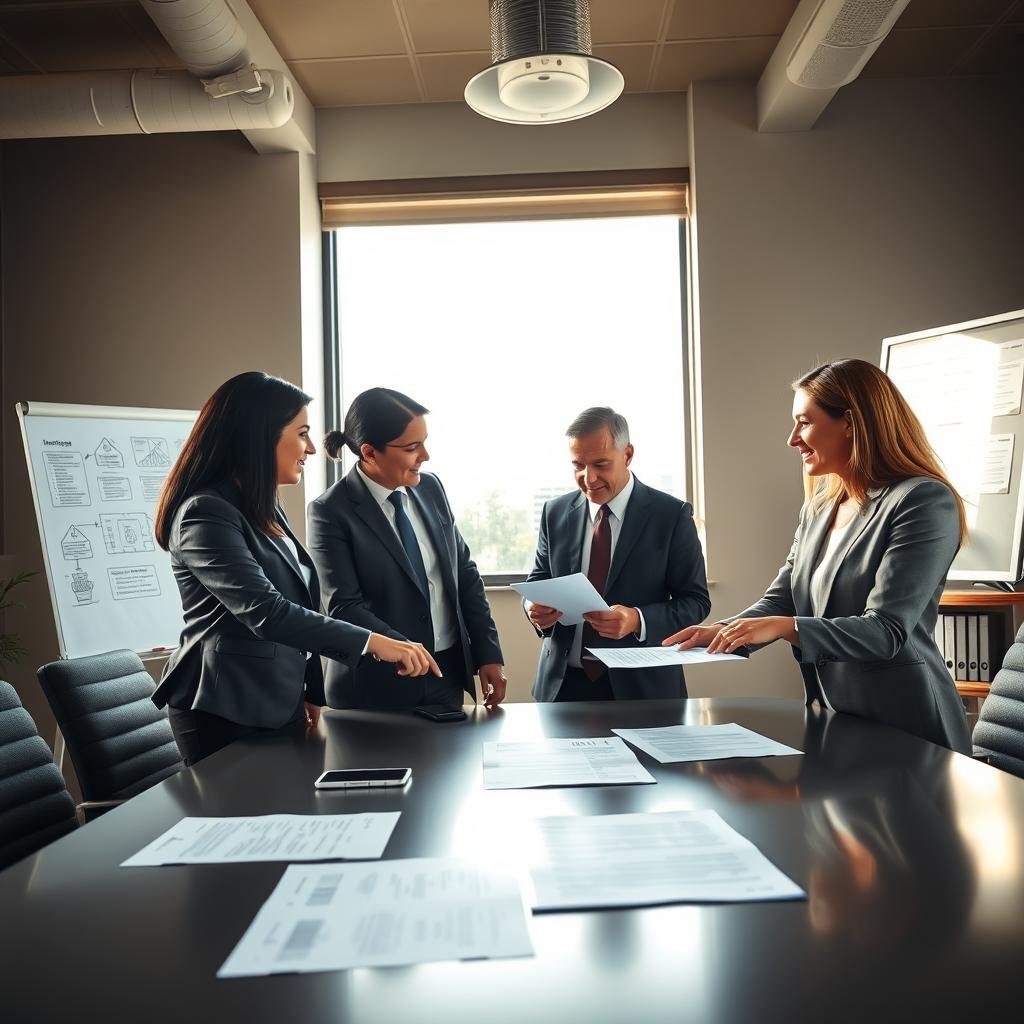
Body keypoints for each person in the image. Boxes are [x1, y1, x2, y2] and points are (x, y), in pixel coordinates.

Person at [664, 358, 971, 753]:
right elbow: (783, 597)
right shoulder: (818, 508)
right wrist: (724, 631)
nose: (793, 439)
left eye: (804, 422)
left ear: (850, 422)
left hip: (908, 728)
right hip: (838, 723)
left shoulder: (922, 501)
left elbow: (886, 630)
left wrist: (785, 626)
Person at [152, 372, 440, 765]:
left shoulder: (261, 504)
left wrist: (309, 688)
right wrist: (375, 642)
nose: (310, 448)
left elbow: (297, 601)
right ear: (260, 435)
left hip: (275, 700)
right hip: (224, 708)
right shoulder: (204, 514)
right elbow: (267, 612)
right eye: (301, 433)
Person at [306, 387, 505, 710]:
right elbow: (343, 606)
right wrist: (405, 648)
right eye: (413, 447)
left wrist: (488, 654)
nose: (425, 456)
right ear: (369, 453)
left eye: (424, 442)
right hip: (374, 689)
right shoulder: (330, 511)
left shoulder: (431, 488)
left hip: (445, 677)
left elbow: (464, 574)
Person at [525, 407, 710, 702]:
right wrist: (532, 607)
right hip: (562, 689)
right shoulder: (554, 512)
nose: (589, 478)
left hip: (644, 692)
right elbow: (539, 579)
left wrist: (638, 619)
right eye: (578, 465)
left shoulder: (672, 515)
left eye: (600, 464)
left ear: (627, 454)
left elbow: (696, 602)